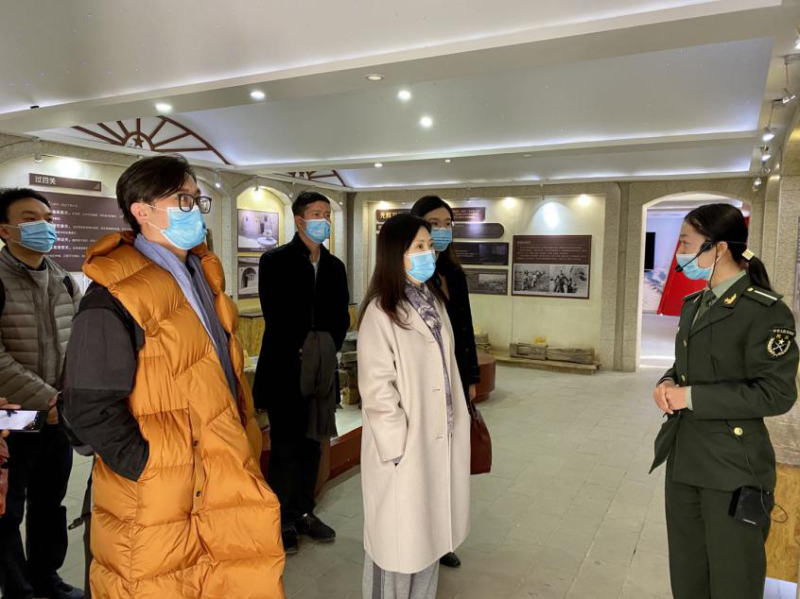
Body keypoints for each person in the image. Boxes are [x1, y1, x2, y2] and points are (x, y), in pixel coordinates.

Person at [60, 155, 285, 598]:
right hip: (159, 487)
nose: (195, 209)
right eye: (183, 199)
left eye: (197, 199)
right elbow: (87, 407)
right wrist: (151, 464)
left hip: (217, 464)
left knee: (220, 577)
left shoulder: (200, 274)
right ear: (141, 210)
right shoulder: (113, 294)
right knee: (160, 582)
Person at [650, 204, 798, 599]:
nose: (680, 252)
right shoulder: (696, 304)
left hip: (732, 467)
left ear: (718, 248)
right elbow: (688, 366)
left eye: (686, 243)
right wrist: (667, 382)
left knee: (734, 578)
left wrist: (691, 397)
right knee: (688, 574)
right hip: (684, 458)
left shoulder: (765, 311)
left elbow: (777, 393)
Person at [357, 214, 470, 599]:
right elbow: (377, 389)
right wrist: (397, 446)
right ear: (396, 254)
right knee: (395, 545)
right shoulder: (381, 311)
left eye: (430, 246)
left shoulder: (432, 301)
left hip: (437, 439)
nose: (428, 254)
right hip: (403, 450)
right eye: (418, 246)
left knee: (428, 539)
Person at [253, 190, 350, 554]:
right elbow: (275, 314)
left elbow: (340, 316)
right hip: (285, 368)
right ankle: (282, 518)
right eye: (316, 213)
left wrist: (325, 347)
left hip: (321, 369)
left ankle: (305, 511)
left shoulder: (335, 266)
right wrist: (302, 347)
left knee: (313, 443)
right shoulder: (275, 261)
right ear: (298, 220)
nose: (323, 219)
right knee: (285, 446)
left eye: (326, 213)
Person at [0, 188, 83, 599]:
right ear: (6, 229)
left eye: (48, 219)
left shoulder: (63, 278)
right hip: (11, 413)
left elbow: (82, 340)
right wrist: (48, 399)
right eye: (31, 219)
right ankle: (19, 591)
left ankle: (47, 578)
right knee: (7, 508)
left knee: (51, 501)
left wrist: (63, 400)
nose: (44, 226)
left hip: (57, 415)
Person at [410, 196, 480, 569]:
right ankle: (422, 535)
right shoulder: (412, 277)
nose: (441, 231)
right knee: (427, 464)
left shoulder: (453, 273)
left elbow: (465, 328)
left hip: (454, 378)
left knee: (450, 464)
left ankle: (443, 539)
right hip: (425, 385)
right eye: (433, 224)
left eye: (447, 224)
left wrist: (471, 377)